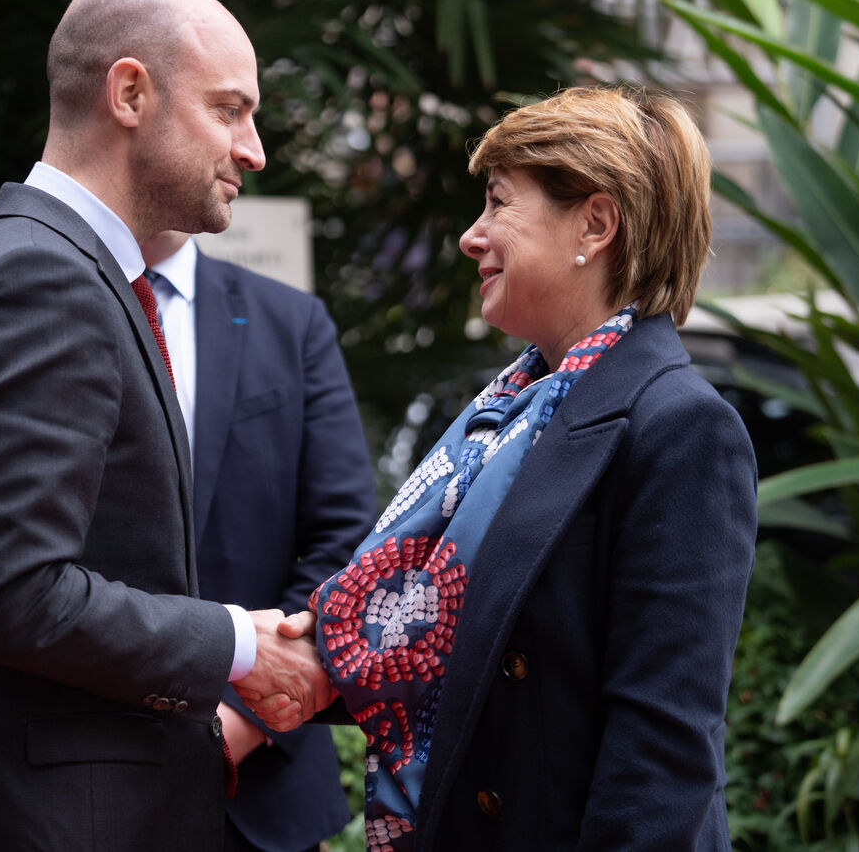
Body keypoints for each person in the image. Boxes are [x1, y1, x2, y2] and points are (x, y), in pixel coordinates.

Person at [0, 0, 331, 852]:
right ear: (129, 93)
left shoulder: (33, 263)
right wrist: (237, 641)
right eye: (229, 109)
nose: (253, 149)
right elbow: (16, 594)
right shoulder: (43, 279)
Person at [259, 85, 758, 851]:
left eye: (497, 202)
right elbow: (468, 655)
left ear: (595, 223)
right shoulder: (511, 413)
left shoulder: (680, 424)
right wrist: (306, 660)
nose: (472, 235)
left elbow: (662, 749)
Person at [139, 229, 377, 852]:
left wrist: (240, 720)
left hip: (262, 789)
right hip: (82, 774)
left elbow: (346, 534)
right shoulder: (57, 304)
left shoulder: (290, 322)